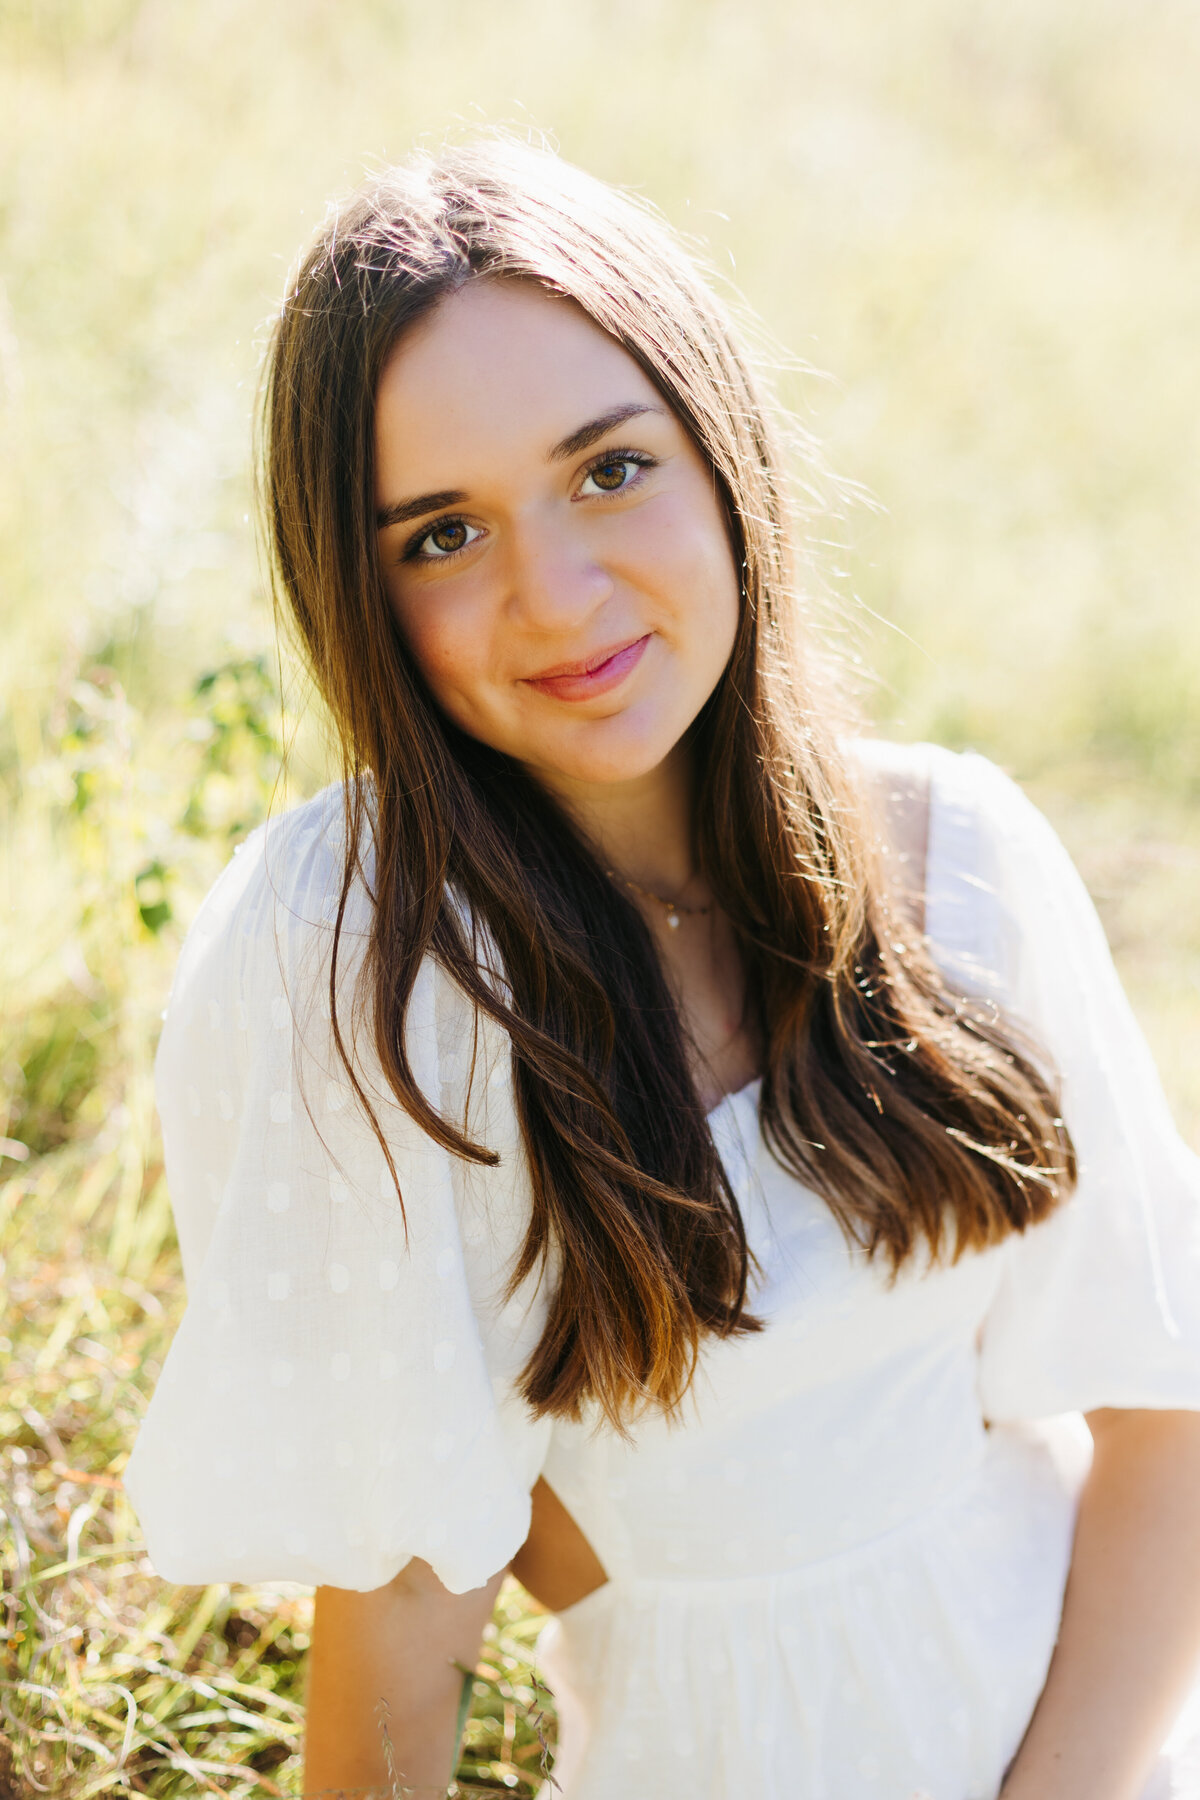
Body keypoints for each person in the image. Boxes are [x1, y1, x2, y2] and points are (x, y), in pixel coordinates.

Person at [124, 140, 1200, 1800]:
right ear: (363, 589)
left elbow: (1161, 1414)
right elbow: (409, 1608)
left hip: (1090, 1725)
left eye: (608, 472)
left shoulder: (958, 854)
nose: (552, 596)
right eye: (440, 535)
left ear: (721, 451)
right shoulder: (358, 968)